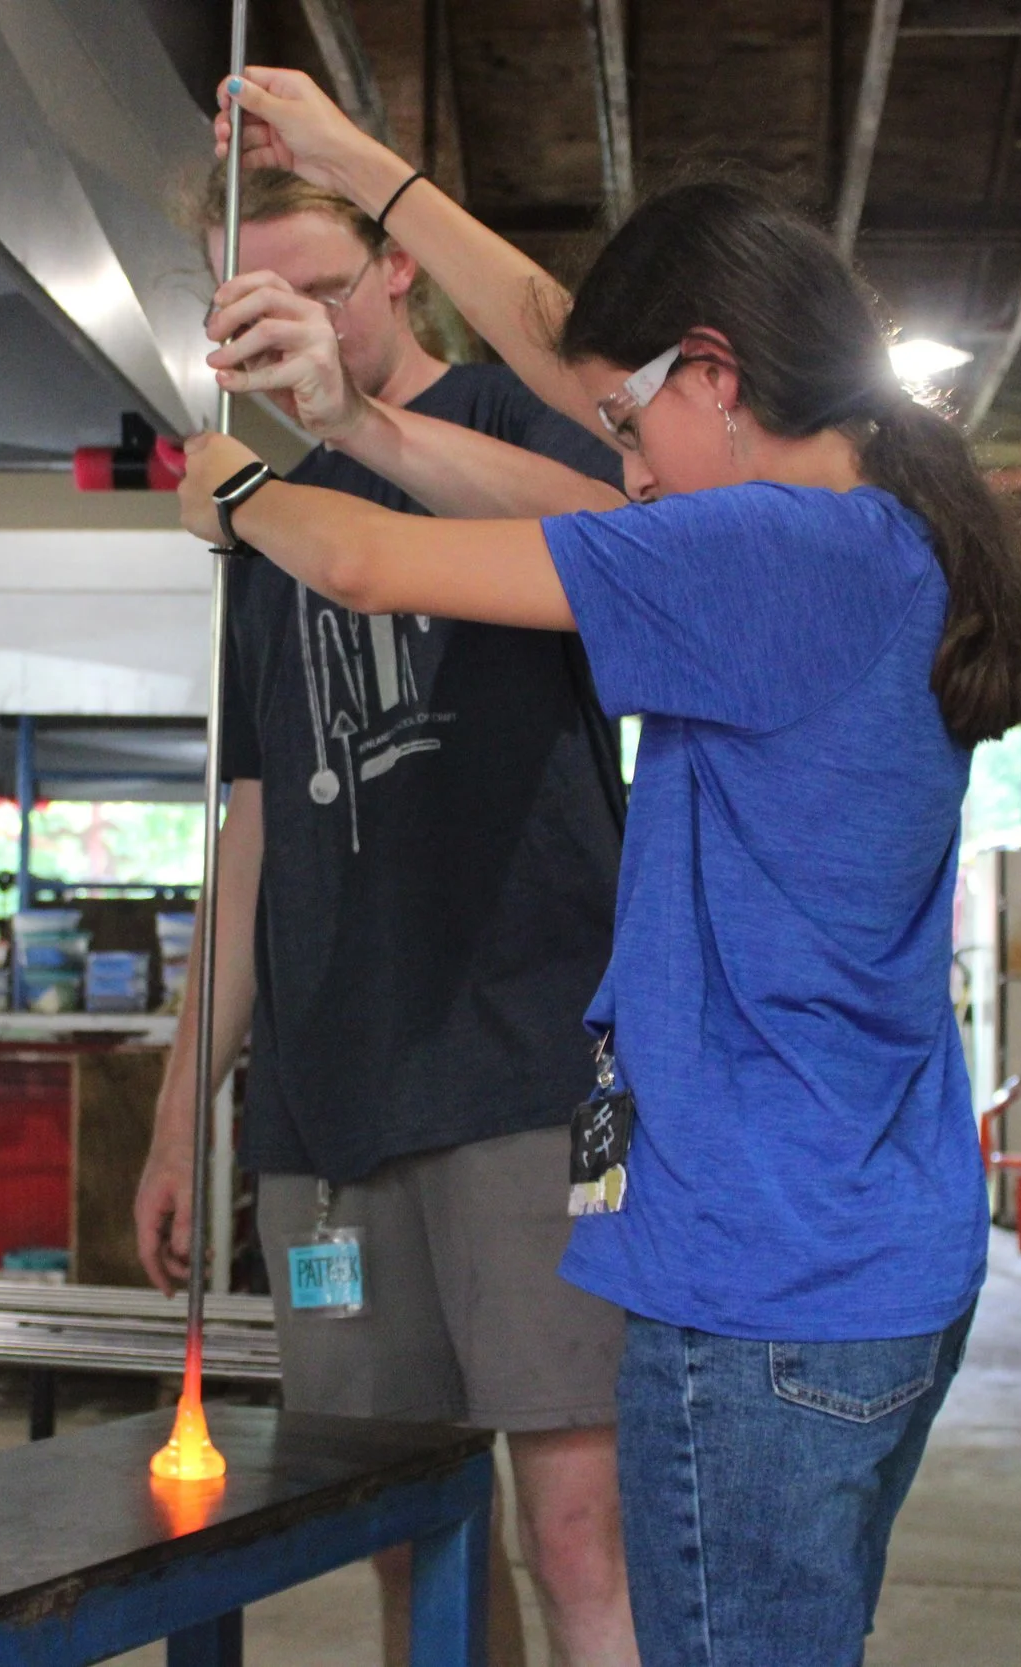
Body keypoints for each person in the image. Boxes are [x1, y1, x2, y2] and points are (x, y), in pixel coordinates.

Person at [176, 67, 1021, 1666]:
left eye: (636, 429)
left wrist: (236, 485)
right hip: (855, 1245)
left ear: (715, 373)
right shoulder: (867, 536)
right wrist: (358, 178)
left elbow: (362, 556)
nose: (626, 469)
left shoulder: (768, 554)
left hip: (757, 1273)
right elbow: (562, 349)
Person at [130, 167, 640, 1666]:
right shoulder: (265, 515)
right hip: (331, 1103)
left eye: (321, 288)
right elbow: (254, 830)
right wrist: (184, 1110)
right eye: (254, 301)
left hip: (533, 1069)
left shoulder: (507, 428)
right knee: (406, 1529)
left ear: (399, 270)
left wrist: (346, 430)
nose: (291, 325)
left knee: (576, 1522)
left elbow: (637, 527)